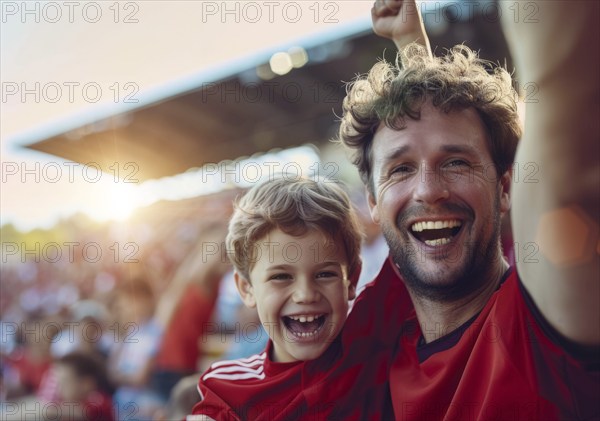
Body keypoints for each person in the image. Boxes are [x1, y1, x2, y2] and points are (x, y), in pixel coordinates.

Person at [336, 0, 599, 419]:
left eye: (456, 163)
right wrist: (412, 47)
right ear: (372, 202)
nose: (428, 190)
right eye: (401, 169)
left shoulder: (541, 324)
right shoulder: (370, 336)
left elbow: (567, 167)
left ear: (506, 187)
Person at [190, 176, 365, 419]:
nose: (305, 295)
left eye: (325, 274)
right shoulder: (225, 391)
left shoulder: (376, 366)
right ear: (247, 289)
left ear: (352, 281)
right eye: (281, 277)